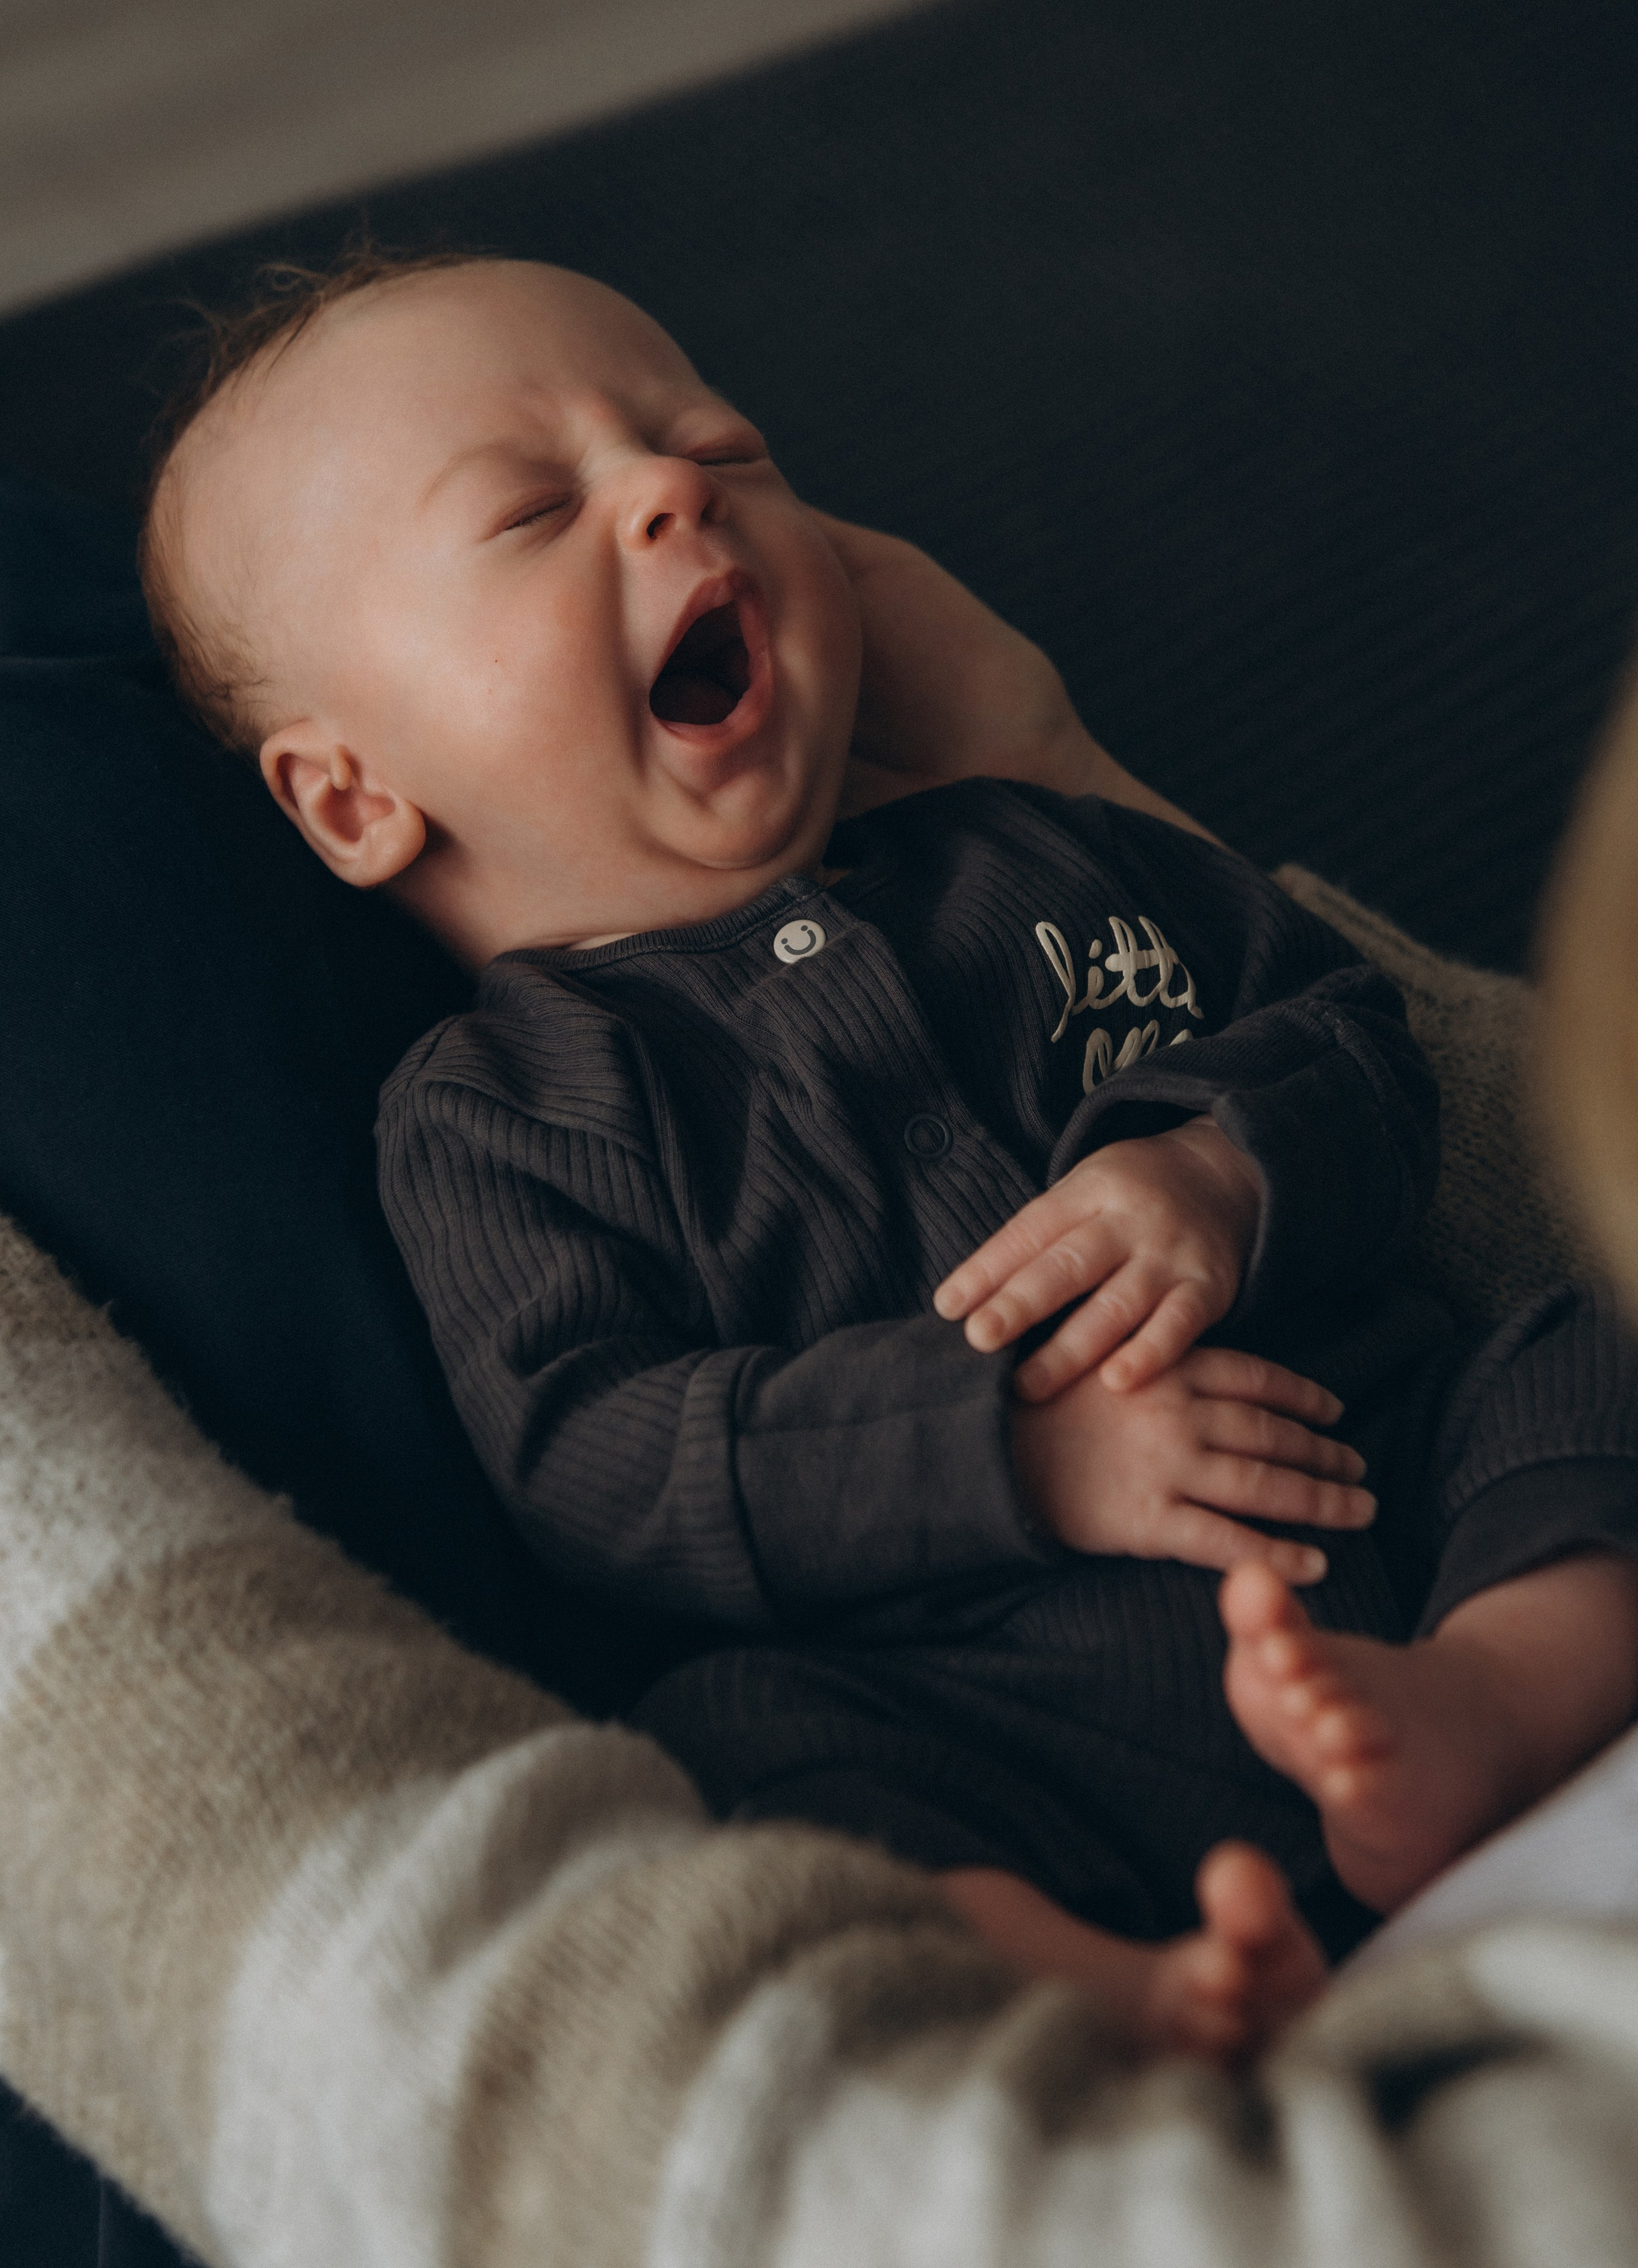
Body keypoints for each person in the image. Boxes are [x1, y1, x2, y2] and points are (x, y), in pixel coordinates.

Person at [136, 249, 1638, 2057]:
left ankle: (1488, 1701)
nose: (675, 488)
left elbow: (1345, 1040)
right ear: (359, 795)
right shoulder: (499, 1115)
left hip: (1374, 1480)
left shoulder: (1035, 858)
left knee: (1576, 1347)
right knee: (737, 1749)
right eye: (538, 511)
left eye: (721, 444)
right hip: (990, 1705)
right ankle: (1108, 1985)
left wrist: (1219, 1172)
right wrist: (1006, 1447)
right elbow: (597, 1452)